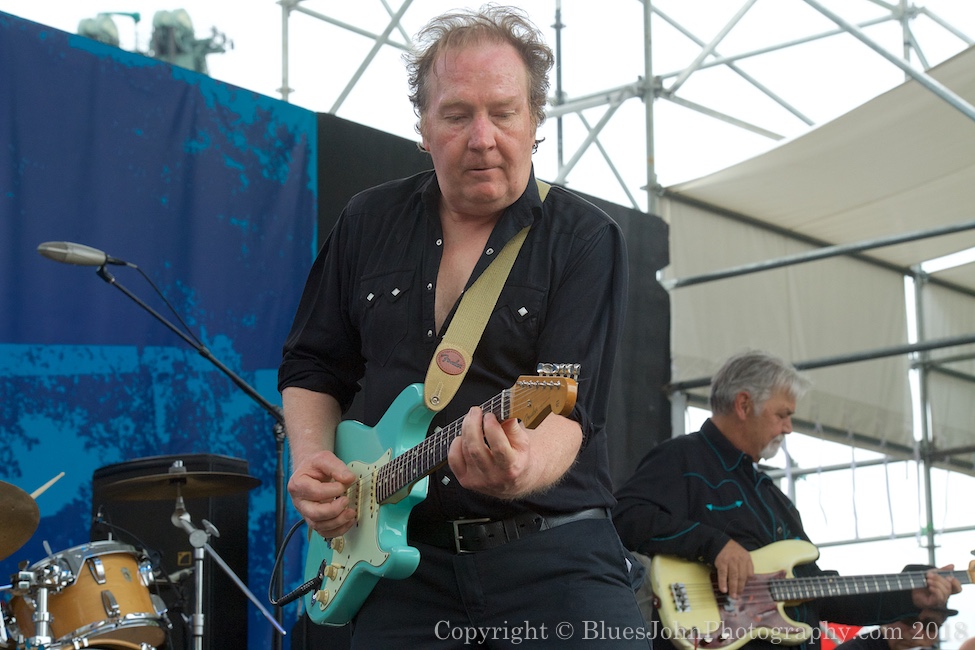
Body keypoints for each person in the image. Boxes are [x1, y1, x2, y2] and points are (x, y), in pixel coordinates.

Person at [278, 5, 648, 647]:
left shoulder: (585, 238)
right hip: (399, 572)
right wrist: (312, 459)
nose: (482, 137)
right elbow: (313, 365)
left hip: (551, 563)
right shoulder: (368, 221)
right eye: (456, 115)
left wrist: (522, 467)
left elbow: (565, 403)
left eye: (503, 112)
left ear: (535, 122)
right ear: (422, 126)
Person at [613, 349, 961, 650]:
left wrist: (910, 596)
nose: (789, 427)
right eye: (783, 414)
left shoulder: (773, 498)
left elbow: (819, 592)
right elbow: (626, 517)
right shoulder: (683, 458)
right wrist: (714, 544)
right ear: (744, 404)